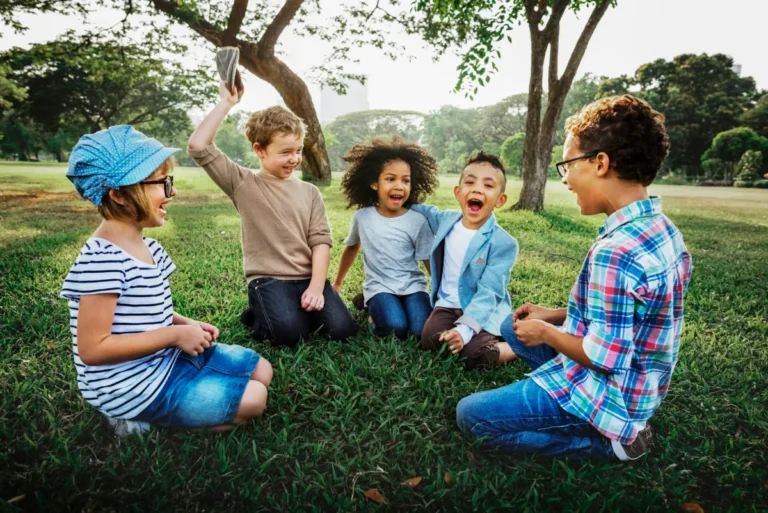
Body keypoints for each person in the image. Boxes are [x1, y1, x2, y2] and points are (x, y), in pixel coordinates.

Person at [456, 95, 693, 460]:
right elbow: (631, 314)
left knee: (471, 416)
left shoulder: (616, 252)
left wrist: (547, 333)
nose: (564, 178)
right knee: (509, 327)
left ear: (600, 163)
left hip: (610, 395)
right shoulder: (661, 229)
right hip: (641, 386)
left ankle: (608, 443)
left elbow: (606, 359)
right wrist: (552, 315)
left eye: (567, 164)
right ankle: (558, 388)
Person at [62, 125, 272, 435]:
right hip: (132, 386)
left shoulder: (148, 247)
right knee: (254, 400)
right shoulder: (102, 260)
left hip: (164, 360)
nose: (172, 193)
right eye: (162, 183)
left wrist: (185, 324)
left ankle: (183, 398)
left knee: (262, 371)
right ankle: (137, 421)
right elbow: (93, 348)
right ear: (119, 195)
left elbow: (144, 311)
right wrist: (173, 336)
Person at [187, 80, 358, 348]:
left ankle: (287, 308)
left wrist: (316, 287)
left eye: (298, 150)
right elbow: (198, 147)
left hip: (308, 278)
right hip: (269, 280)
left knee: (342, 330)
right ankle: (260, 311)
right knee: (288, 335)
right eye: (286, 152)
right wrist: (226, 103)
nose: (294, 159)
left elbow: (321, 243)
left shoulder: (310, 192)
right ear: (259, 150)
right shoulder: (243, 183)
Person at [411, 153, 518, 370]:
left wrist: (464, 330)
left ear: (500, 200)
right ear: (458, 192)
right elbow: (423, 210)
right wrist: (396, 198)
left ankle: (515, 346)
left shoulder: (504, 243)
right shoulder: (446, 220)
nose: (477, 189)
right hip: (447, 305)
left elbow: (490, 292)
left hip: (483, 309)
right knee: (430, 340)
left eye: (488, 185)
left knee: (473, 355)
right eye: (470, 182)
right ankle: (462, 336)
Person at [332, 138, 438, 339]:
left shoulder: (418, 220)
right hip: (380, 286)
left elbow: (427, 258)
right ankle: (372, 309)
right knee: (395, 327)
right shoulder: (363, 217)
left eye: (405, 180)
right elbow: (352, 247)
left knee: (420, 330)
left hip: (413, 286)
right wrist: (337, 283)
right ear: (374, 183)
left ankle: (373, 305)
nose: (399, 186)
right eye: (390, 179)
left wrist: (443, 292)